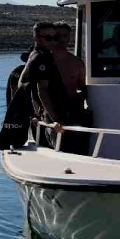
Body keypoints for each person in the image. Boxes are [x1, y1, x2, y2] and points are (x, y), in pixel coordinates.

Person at [20, 21, 89, 153]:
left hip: (71, 114)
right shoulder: (42, 59)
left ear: (70, 37)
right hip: (51, 116)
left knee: (79, 150)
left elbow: (83, 90)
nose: (60, 40)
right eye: (56, 36)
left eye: (64, 36)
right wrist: (34, 113)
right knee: (63, 151)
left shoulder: (77, 63)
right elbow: (31, 87)